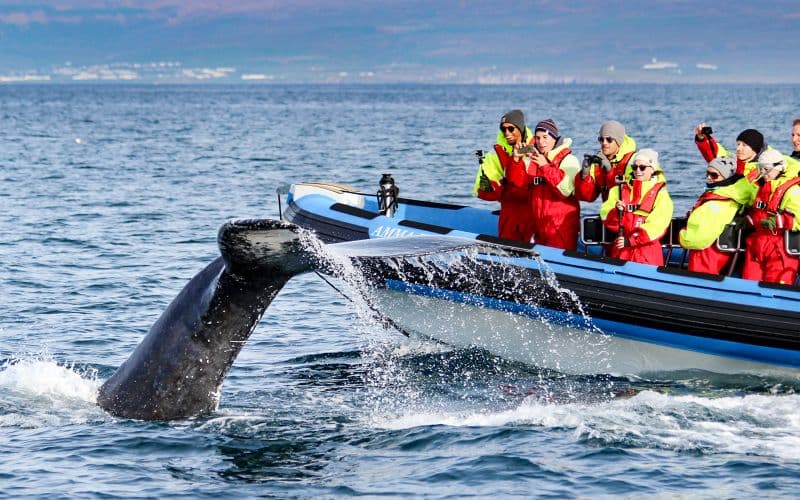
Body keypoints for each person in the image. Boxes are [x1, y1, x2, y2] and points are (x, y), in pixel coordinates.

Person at [678, 156, 756, 274]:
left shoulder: (716, 204)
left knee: (699, 282)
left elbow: (696, 239)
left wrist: (682, 235)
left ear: (726, 177)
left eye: (714, 175)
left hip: (705, 253)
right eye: (707, 174)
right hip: (719, 250)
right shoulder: (733, 197)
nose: (709, 178)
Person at [600, 148, 674, 266]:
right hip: (621, 248)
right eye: (635, 167)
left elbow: (656, 226)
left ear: (652, 169)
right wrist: (616, 212)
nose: (638, 171)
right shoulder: (618, 191)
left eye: (642, 167)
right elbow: (605, 217)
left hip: (646, 254)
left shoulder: (662, 196)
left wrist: (632, 240)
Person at [473, 109, 535, 242]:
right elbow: (483, 190)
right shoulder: (494, 155)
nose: (507, 133)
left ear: (521, 128)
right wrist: (497, 188)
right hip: (509, 214)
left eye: (511, 128)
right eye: (503, 129)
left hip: (534, 214)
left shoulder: (538, 146)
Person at [742, 149, 800, 285]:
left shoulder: (793, 191)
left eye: (766, 169)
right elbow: (759, 212)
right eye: (760, 169)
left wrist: (778, 221)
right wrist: (747, 221)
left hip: (779, 248)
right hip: (758, 245)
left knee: (775, 286)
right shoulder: (764, 187)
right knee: (748, 283)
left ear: (778, 167)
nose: (763, 173)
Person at [522, 118, 581, 250]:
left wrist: (545, 166)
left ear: (554, 138)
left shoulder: (569, 160)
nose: (541, 142)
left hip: (560, 228)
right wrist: (516, 159)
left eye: (545, 137)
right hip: (539, 227)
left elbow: (565, 190)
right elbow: (519, 185)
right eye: (537, 138)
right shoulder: (533, 158)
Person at [574, 120, 637, 202]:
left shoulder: (633, 161)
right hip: (608, 213)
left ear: (619, 141)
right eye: (601, 139)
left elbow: (629, 195)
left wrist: (609, 171)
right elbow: (587, 197)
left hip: (628, 213)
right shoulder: (598, 162)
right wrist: (584, 176)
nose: (604, 143)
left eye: (609, 140)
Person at [694, 124, 765, 181]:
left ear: (754, 149)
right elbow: (713, 151)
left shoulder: (763, 170)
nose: (738, 148)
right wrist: (702, 138)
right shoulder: (730, 160)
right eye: (738, 144)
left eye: (744, 145)